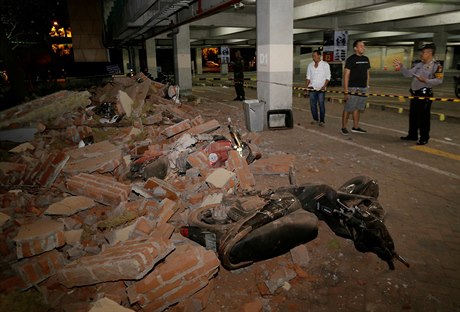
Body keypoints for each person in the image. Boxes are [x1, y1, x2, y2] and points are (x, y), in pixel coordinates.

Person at [393, 43, 443, 145]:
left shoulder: (437, 66)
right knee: (413, 115)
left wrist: (426, 80)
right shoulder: (419, 64)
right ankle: (412, 135)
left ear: (430, 53)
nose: (421, 54)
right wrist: (401, 67)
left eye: (424, 52)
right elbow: (408, 74)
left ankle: (424, 137)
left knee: (423, 117)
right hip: (415, 93)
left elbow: (439, 80)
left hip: (425, 94)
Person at [341, 40, 371, 135]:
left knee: (358, 108)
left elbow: (367, 73)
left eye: (363, 46)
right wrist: (346, 91)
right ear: (355, 48)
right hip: (353, 88)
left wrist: (367, 86)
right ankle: (344, 127)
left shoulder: (366, 59)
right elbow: (346, 75)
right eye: (361, 46)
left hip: (363, 88)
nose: (363, 47)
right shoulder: (351, 59)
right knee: (348, 108)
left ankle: (356, 127)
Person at [306, 50, 331, 126]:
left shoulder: (325, 65)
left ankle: (322, 121)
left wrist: (324, 86)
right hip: (312, 88)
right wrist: (307, 87)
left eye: (315, 56)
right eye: (313, 56)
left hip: (321, 89)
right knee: (313, 105)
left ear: (319, 56)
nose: (313, 58)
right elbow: (308, 77)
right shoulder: (310, 65)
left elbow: (328, 77)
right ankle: (315, 119)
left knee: (321, 104)